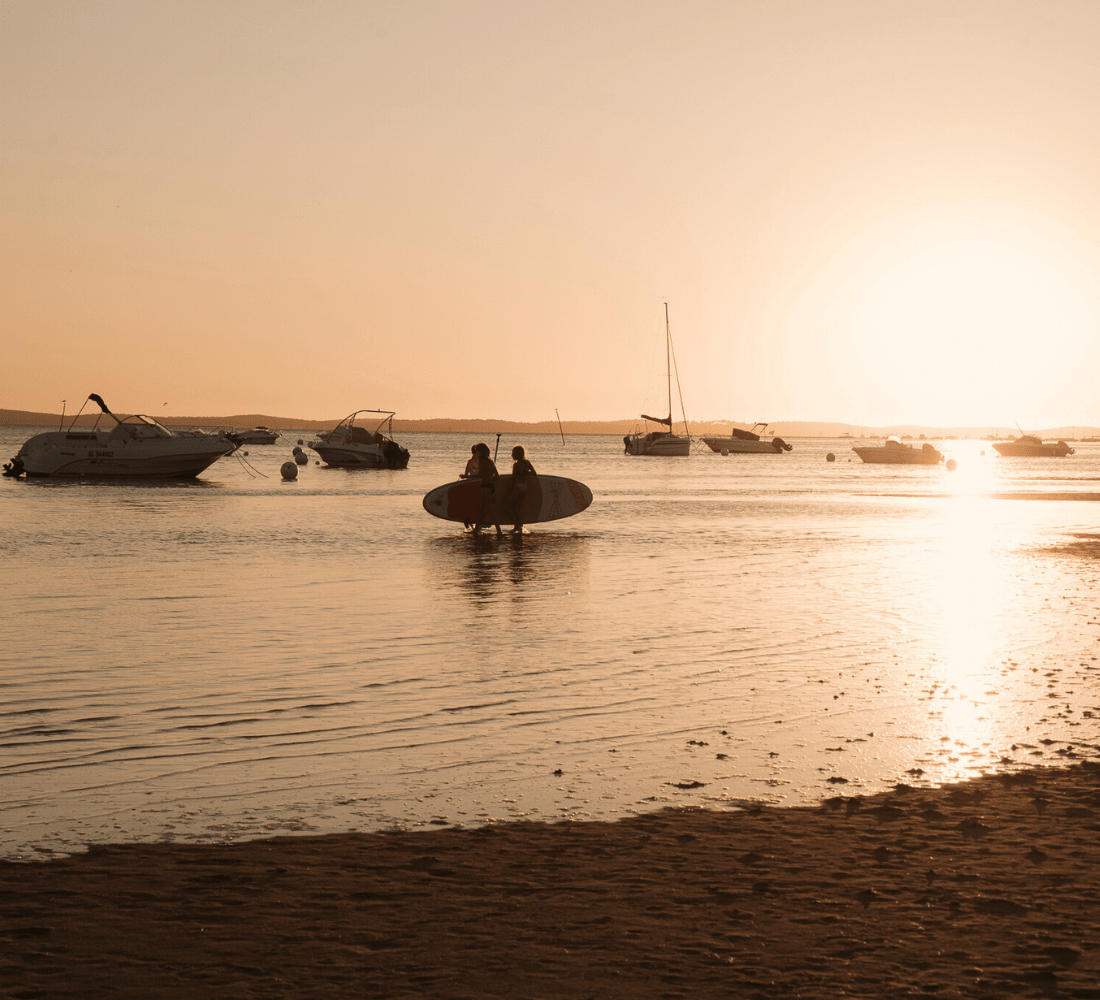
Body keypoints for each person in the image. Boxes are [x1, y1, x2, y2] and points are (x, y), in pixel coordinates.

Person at [471, 442, 502, 537]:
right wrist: (490, 479)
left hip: (484, 487)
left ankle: (499, 531)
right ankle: (476, 529)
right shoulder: (490, 462)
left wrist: (467, 476)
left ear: (480, 452)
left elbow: (480, 475)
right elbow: (497, 476)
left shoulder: (482, 462)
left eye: (477, 452)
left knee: (491, 510)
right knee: (481, 509)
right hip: (491, 487)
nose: (476, 454)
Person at [506, 445, 537, 534]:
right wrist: (526, 473)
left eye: (513, 453)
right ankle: (519, 527)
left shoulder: (516, 465)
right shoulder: (527, 463)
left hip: (518, 487)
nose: (512, 455)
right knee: (516, 508)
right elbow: (534, 474)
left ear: (519, 454)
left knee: (506, 505)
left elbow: (513, 478)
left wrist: (508, 490)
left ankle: (517, 526)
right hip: (524, 488)